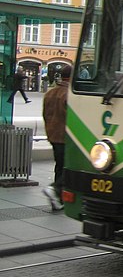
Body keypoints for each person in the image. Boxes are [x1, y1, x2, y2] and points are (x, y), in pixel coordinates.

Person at [42, 65, 71, 211]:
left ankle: (57, 199)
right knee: (68, 167)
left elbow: (45, 115)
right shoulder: (69, 94)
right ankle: (55, 190)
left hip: (52, 135)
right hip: (64, 136)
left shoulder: (50, 93)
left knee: (59, 166)